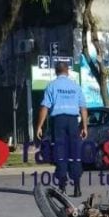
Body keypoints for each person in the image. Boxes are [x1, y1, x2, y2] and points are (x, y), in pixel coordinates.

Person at [36, 61, 88, 197]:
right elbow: (83, 107)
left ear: (56, 71)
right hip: (72, 122)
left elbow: (45, 107)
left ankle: (62, 187)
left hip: (58, 122)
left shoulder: (52, 86)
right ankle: (77, 187)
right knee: (74, 154)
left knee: (60, 153)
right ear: (68, 71)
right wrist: (84, 126)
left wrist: (39, 126)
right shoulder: (75, 86)